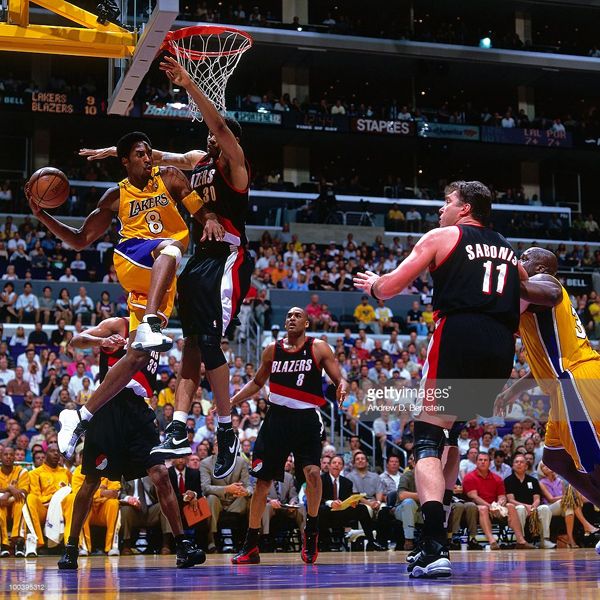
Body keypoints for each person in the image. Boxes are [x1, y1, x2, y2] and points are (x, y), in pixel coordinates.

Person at [354, 180, 522, 578]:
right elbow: (525, 300)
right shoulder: (509, 251)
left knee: (427, 435)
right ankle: (437, 535)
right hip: (500, 345)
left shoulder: (444, 235)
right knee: (450, 436)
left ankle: (433, 543)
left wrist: (375, 284)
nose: (440, 209)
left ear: (465, 209)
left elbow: (392, 286)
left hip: (458, 334)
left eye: (447, 202)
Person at [31, 132, 219, 459]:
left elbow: (198, 209)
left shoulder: (171, 178)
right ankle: (148, 321)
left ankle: (79, 416)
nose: (148, 159)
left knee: (137, 356)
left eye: (149, 153)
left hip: (160, 280)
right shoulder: (116, 196)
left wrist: (211, 219)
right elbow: (80, 240)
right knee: (172, 246)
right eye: (140, 154)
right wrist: (42, 215)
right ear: (125, 161)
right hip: (132, 257)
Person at [56, 317, 206, 570]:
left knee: (160, 475)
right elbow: (76, 340)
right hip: (107, 406)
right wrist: (102, 340)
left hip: (139, 411)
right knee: (92, 480)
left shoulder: (159, 333)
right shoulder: (117, 324)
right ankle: (71, 547)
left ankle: (182, 545)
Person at [495, 246, 600, 551]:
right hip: (561, 386)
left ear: (541, 267)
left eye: (525, 257)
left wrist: (504, 269)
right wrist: (512, 390)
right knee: (554, 459)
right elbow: (541, 367)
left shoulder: (550, 285)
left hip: (577, 378)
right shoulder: (531, 308)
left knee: (592, 458)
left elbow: (549, 293)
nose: (519, 259)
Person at [229, 306, 347, 564]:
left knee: (313, 474)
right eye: (288, 316)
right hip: (277, 419)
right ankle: (251, 544)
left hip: (306, 419)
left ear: (306, 322)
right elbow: (258, 382)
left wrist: (344, 385)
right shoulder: (272, 349)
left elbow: (339, 378)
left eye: (297, 316)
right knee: (262, 483)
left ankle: (312, 530)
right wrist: (232, 400)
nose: (291, 319)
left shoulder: (318, 348)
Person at [0, 446, 29, 557]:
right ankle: (4, 545)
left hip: (14, 505)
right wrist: (10, 489)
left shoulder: (22, 471)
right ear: (0, 457)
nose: (8, 457)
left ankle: (19, 542)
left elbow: (23, 492)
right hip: (2, 506)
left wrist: (7, 494)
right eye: (5, 454)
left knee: (20, 503)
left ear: (14, 458)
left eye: (11, 455)